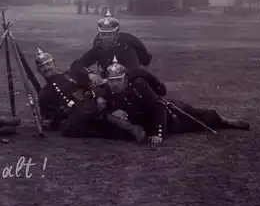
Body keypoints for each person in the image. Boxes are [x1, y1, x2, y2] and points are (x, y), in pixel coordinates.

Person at [95, 56, 250, 144]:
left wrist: (159, 134)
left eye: (118, 80)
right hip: (146, 122)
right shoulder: (105, 91)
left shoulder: (138, 86)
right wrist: (112, 111)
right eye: (112, 80)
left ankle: (226, 121)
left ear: (125, 78)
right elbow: (100, 106)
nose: (115, 84)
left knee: (199, 119)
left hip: (170, 114)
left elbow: (158, 107)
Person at [35, 48, 146, 142]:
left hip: (91, 105)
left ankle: (133, 129)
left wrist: (99, 96)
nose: (46, 68)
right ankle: (129, 132)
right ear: (38, 70)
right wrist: (48, 121)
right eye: (42, 66)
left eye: (48, 64)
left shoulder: (70, 75)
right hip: (74, 119)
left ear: (54, 63)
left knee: (93, 114)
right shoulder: (44, 94)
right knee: (75, 126)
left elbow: (93, 85)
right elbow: (49, 119)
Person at [72, 11, 152, 85]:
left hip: (127, 83)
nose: (106, 37)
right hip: (108, 79)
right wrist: (90, 74)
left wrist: (109, 80)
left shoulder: (126, 48)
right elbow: (78, 64)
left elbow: (132, 71)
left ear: (117, 34)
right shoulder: (99, 48)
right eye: (103, 34)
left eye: (110, 34)